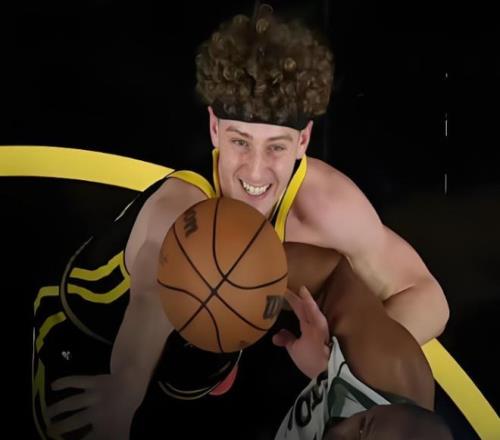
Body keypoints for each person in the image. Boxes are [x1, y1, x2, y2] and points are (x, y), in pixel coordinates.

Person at [34, 4, 449, 439]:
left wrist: (339, 362)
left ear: (303, 140)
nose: (255, 170)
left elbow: (428, 299)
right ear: (215, 129)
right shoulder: (181, 207)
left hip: (199, 375)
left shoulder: (324, 205)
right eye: (240, 142)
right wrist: (126, 385)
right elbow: (151, 296)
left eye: (276, 147)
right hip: (93, 348)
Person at [273, 247, 453, 440]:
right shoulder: (381, 367)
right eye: (360, 430)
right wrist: (257, 283)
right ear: (382, 407)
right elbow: (330, 275)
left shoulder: (379, 424)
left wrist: (323, 374)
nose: (339, 436)